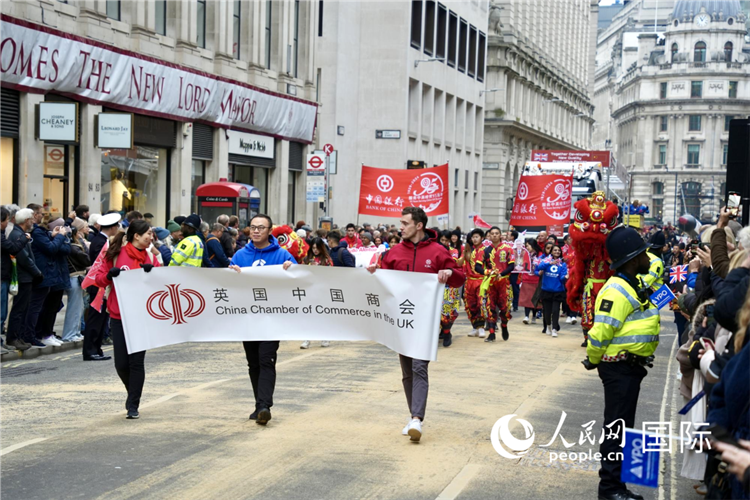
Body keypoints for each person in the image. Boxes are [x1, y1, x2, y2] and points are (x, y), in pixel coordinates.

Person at [367, 207, 465, 442]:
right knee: (407, 371)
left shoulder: (438, 251)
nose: (400, 227)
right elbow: (384, 283)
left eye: (404, 223)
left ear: (418, 225)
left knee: (420, 367)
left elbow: (460, 276)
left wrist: (448, 272)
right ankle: (414, 416)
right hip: (400, 321)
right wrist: (373, 273)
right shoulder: (393, 253)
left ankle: (417, 418)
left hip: (426, 321)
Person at [583, 225, 660, 500]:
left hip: (630, 368)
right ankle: (611, 490)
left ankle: (619, 486)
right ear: (632, 259)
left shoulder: (632, 283)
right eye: (643, 253)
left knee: (623, 428)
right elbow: (599, 333)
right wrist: (593, 360)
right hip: (619, 369)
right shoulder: (615, 291)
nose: (648, 257)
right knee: (616, 429)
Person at [229, 214, 295, 425]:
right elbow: (228, 285)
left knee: (266, 359)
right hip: (247, 318)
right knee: (253, 363)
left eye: (261, 228)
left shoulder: (281, 255)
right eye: (253, 227)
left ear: (269, 231)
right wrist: (232, 274)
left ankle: (265, 405)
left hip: (271, 318)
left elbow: (299, 280)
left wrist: (291, 271)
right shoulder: (240, 255)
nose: (256, 231)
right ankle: (259, 404)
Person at [95, 220, 160, 419]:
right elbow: (98, 278)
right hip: (118, 315)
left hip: (142, 317)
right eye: (148, 233)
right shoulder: (115, 255)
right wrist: (110, 276)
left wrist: (153, 273)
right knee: (121, 364)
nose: (151, 237)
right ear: (136, 236)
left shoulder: (150, 256)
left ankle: (133, 404)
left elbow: (162, 285)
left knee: (136, 362)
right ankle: (132, 392)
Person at [81, 212, 121, 361]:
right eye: (116, 226)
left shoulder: (102, 240)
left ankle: (96, 348)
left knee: (102, 318)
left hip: (102, 284)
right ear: (112, 228)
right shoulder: (100, 242)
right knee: (95, 319)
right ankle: (90, 350)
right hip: (98, 285)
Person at [29, 214, 71, 347]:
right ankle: (41, 334)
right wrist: (59, 238)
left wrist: (58, 239)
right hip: (48, 274)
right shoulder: (39, 234)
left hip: (58, 274)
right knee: (44, 307)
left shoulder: (51, 236)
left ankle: (48, 333)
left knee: (53, 307)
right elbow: (51, 249)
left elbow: (66, 249)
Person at [4, 208, 39, 351]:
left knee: (23, 309)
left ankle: (18, 337)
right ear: (26, 221)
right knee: (19, 309)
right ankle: (13, 338)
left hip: (26, 277)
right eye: (31, 219)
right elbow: (24, 258)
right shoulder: (17, 235)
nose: (33, 221)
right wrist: (37, 273)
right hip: (23, 277)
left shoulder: (19, 233)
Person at [478, 226, 515, 342]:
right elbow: (477, 266)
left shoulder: (508, 249)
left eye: (496, 233)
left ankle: (504, 325)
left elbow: (511, 265)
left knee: (505, 308)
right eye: (492, 233)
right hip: (490, 283)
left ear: (500, 235)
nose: (494, 235)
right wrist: (487, 272)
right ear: (489, 235)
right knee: (489, 307)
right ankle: (492, 333)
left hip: (504, 282)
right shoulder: (485, 250)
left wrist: (502, 274)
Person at [301, 238, 333, 349]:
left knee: (323, 315)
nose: (315, 250)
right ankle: (306, 339)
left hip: (322, 290)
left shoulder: (327, 260)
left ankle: (325, 337)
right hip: (309, 290)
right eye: (313, 248)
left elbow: (331, 274)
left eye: (317, 248)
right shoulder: (306, 259)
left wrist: (319, 269)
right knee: (308, 315)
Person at [62, 225, 91, 343]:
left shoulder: (73, 247)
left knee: (79, 307)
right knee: (75, 308)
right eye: (78, 233)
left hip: (76, 277)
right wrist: (84, 245)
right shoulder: (74, 248)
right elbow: (87, 259)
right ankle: (70, 334)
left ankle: (75, 332)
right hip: (74, 277)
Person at [535, 244, 568, 338]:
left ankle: (554, 329)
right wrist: (549, 263)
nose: (557, 252)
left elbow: (562, 277)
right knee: (547, 311)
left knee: (556, 310)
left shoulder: (563, 264)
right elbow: (540, 267)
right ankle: (548, 326)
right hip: (546, 290)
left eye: (558, 250)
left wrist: (565, 277)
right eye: (555, 250)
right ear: (551, 252)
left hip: (558, 291)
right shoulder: (546, 260)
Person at [438, 231, 462, 347]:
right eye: (442, 240)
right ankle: (442, 330)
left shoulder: (453, 251)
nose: (444, 242)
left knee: (448, 310)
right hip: (436, 284)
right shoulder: (434, 251)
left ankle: (447, 332)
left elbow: (452, 265)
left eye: (446, 240)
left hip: (449, 285)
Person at [463, 229, 487, 338]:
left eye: (477, 237)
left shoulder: (485, 251)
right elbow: (461, 262)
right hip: (469, 281)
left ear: (482, 238)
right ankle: (474, 326)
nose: (475, 239)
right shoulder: (469, 250)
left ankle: (481, 327)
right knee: (470, 304)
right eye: (473, 237)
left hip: (481, 280)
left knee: (480, 303)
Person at [520, 239, 543, 325]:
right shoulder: (524, 254)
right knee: (526, 298)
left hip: (536, 279)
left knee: (535, 299)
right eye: (526, 246)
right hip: (526, 278)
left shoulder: (540, 255)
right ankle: (526, 316)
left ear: (533, 245)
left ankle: (533, 315)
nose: (526, 247)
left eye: (528, 245)